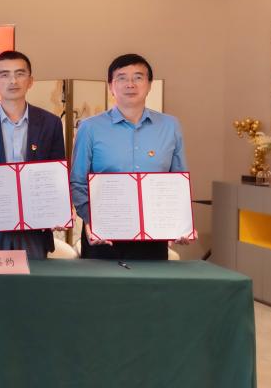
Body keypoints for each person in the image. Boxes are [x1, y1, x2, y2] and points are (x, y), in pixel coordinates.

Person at [70, 53, 194, 260]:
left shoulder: (170, 126)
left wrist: (181, 223)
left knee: (151, 282)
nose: (130, 84)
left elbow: (178, 181)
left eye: (138, 77)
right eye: (122, 78)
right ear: (111, 86)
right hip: (103, 233)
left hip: (154, 233)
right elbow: (77, 181)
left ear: (149, 84)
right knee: (101, 282)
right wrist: (93, 220)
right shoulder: (89, 128)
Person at [0, 50, 67, 259]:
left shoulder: (50, 123)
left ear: (30, 81)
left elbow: (57, 173)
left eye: (20, 74)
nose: (13, 81)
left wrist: (59, 207)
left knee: (33, 280)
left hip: (35, 229)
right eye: (4, 74)